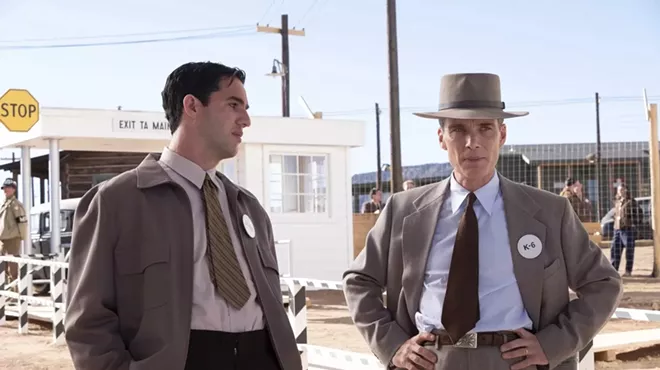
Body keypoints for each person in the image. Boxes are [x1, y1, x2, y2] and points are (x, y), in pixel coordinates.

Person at [342, 73, 622, 370]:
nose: (472, 142)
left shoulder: (550, 212)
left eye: (485, 128)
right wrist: (392, 344)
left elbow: (603, 284)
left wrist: (552, 344)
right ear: (441, 138)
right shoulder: (404, 210)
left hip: (515, 363)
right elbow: (359, 281)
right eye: (458, 129)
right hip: (431, 361)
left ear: (502, 135)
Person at [65, 62, 302, 370]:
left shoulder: (249, 208)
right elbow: (88, 324)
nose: (245, 119)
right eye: (233, 105)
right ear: (191, 106)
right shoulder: (115, 202)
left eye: (245, 108)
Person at [0, 178, 28, 283]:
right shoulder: (4, 203)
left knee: (13, 267)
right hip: (2, 239)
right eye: (4, 188)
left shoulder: (16, 205)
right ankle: (8, 291)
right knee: (3, 266)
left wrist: (22, 237)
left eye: (8, 187)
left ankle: (15, 290)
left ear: (13, 189)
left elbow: (22, 222)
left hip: (12, 238)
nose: (5, 190)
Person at [611, 183, 641, 276]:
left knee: (629, 250)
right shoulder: (617, 201)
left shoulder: (631, 202)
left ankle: (628, 271)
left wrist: (633, 224)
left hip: (627, 230)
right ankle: (613, 270)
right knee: (614, 249)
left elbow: (639, 214)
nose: (620, 192)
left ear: (626, 191)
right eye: (619, 190)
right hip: (617, 229)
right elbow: (616, 214)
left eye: (622, 190)